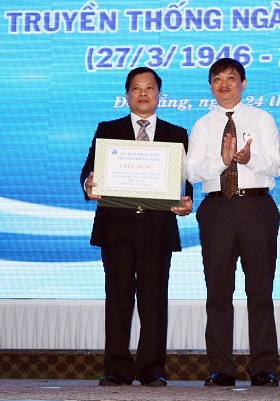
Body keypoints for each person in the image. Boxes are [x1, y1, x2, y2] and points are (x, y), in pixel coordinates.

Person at [80, 66, 193, 387]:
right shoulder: (107, 129)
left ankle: (152, 368)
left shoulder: (176, 133)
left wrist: (185, 200)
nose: (143, 94)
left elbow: (182, 182)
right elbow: (89, 172)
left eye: (150, 88)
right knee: (117, 299)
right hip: (116, 228)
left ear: (159, 95)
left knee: (154, 300)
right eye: (136, 88)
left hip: (156, 229)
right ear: (127, 95)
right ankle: (116, 367)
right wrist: (89, 183)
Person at [186, 58, 280, 387]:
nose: (223, 84)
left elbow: (277, 165)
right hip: (217, 210)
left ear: (244, 83)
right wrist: (222, 162)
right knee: (218, 291)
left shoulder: (261, 118)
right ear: (210, 86)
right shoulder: (202, 125)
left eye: (231, 78)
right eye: (217, 79)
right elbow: (191, 171)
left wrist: (248, 158)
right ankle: (221, 368)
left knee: (260, 291)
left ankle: (264, 368)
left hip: (257, 206)